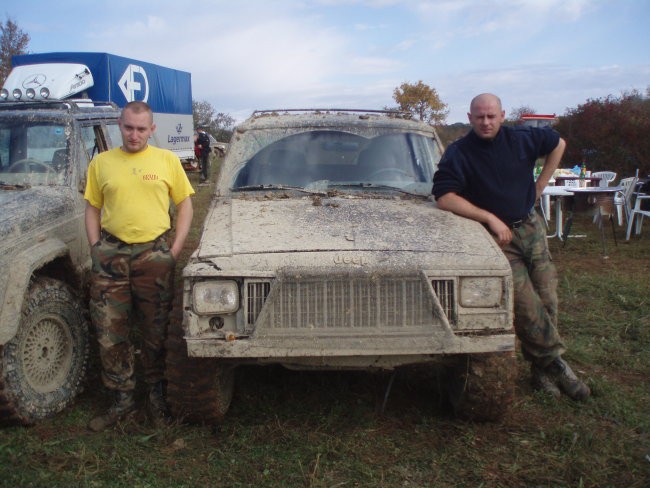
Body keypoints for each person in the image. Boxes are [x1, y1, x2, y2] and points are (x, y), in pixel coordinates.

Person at [432, 93, 590, 401]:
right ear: (470, 117)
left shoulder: (523, 138)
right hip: (497, 239)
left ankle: (540, 371)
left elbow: (558, 144)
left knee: (547, 297)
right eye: (479, 117)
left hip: (531, 228)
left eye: (491, 116)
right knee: (524, 305)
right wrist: (489, 218)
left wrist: (541, 185)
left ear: (503, 115)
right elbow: (444, 196)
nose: (486, 122)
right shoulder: (459, 152)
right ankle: (557, 365)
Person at [84, 101, 195, 431]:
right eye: (129, 127)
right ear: (120, 125)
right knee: (109, 329)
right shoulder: (101, 163)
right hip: (111, 256)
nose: (134, 135)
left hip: (154, 255)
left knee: (156, 329)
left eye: (141, 129)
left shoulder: (166, 161)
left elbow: (185, 205)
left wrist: (173, 250)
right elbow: (92, 207)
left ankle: (158, 395)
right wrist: (95, 248)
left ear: (152, 129)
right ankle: (121, 398)